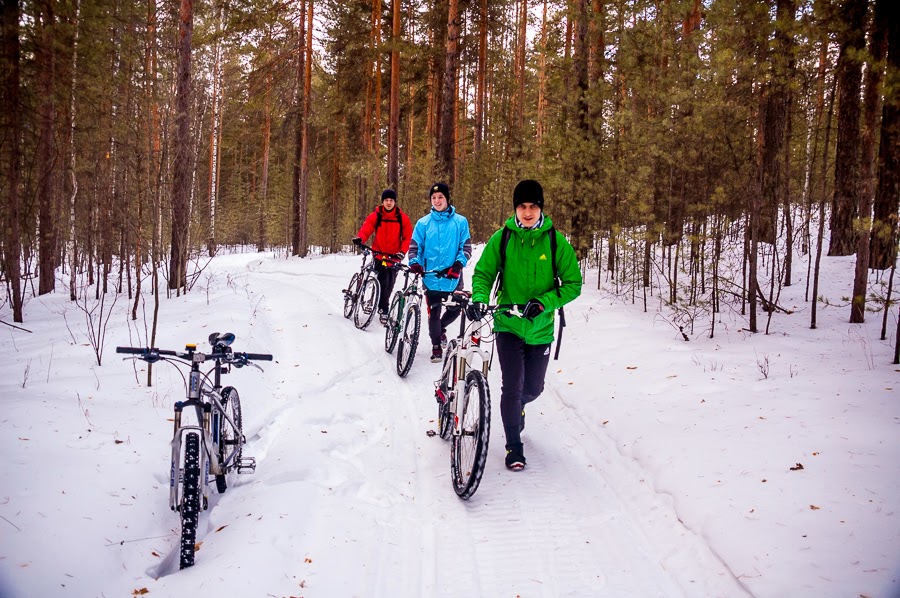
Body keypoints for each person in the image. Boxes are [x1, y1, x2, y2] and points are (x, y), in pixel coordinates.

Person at [469, 179, 582, 471]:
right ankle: (513, 446)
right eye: (522, 206)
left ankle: (519, 406)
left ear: (540, 208)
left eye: (533, 206)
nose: (527, 212)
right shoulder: (502, 238)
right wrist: (481, 299)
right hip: (508, 324)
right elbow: (483, 273)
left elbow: (573, 284)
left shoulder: (555, 241)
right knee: (511, 387)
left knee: (533, 388)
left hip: (541, 328)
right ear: (515, 209)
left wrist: (545, 302)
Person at [407, 182, 472, 363]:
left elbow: (465, 247)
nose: (437, 200)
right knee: (433, 312)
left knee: (456, 308)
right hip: (430, 277)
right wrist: (415, 263)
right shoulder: (423, 223)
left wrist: (458, 265)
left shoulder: (460, 222)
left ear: (447, 199)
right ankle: (436, 346)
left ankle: (441, 328)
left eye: (440, 197)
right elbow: (414, 247)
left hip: (453, 276)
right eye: (434, 198)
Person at [352, 189, 413, 325]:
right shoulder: (377, 215)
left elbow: (407, 237)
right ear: (383, 202)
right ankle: (383, 310)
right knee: (383, 280)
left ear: (395, 202)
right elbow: (367, 228)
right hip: (379, 254)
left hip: (394, 256)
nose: (389, 203)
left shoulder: (402, 218)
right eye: (386, 200)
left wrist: (402, 251)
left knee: (390, 283)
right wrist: (360, 239)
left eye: (391, 200)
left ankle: (380, 302)